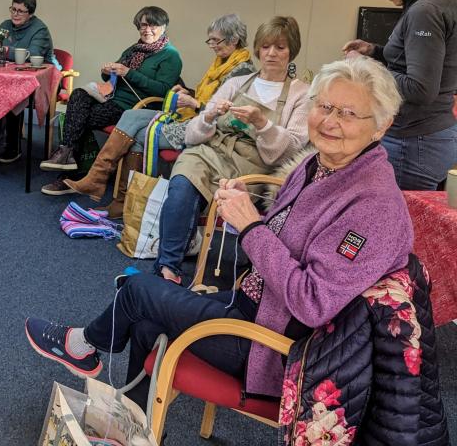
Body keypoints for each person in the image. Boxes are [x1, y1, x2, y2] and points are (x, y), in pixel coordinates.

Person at [26, 56, 411, 407]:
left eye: (347, 113)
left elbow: (312, 303)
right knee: (144, 320)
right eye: (324, 106)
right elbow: (287, 235)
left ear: (381, 126)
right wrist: (252, 209)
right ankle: (131, 425)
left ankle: (84, 345)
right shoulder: (320, 164)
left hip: (279, 351)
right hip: (253, 307)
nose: (329, 121)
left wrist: (251, 226)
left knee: (138, 290)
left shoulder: (372, 206)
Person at [148, 16, 308, 284]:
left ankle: (184, 255)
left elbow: (288, 151)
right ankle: (168, 268)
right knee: (182, 183)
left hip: (254, 164)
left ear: (292, 50)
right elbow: (192, 134)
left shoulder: (302, 94)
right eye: (266, 46)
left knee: (217, 191)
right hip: (210, 150)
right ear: (257, 48)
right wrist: (209, 116)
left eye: (280, 47)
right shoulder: (238, 83)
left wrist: (261, 123)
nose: (271, 53)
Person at [61, 13, 254, 202]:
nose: (212, 46)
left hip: (206, 127)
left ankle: (120, 196)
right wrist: (189, 92)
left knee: (135, 132)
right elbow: (213, 98)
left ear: (234, 39)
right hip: (185, 114)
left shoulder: (241, 72)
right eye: (210, 41)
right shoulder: (221, 63)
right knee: (119, 113)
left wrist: (196, 104)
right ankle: (94, 176)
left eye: (216, 41)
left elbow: (230, 116)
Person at [344, 0, 457, 190]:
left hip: (415, 142)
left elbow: (420, 89)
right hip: (428, 139)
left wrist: (364, 68)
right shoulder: (442, 1)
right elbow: (418, 62)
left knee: (405, 224)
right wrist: (374, 51)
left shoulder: (424, 11)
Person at [40, 6, 181, 194]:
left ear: (164, 27)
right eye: (143, 25)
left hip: (136, 107)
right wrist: (107, 72)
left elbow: (163, 91)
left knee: (79, 119)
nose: (147, 29)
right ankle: (68, 155)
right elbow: (113, 78)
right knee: (79, 95)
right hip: (112, 97)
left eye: (153, 25)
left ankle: (69, 172)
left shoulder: (171, 56)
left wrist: (130, 73)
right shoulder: (134, 49)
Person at [0, 0, 55, 163]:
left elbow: (33, 54)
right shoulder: (5, 25)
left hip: (36, 80)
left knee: (13, 93)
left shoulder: (40, 29)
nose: (15, 14)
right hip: (8, 77)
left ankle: (13, 147)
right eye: (13, 9)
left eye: (20, 11)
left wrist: (5, 51)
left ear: (31, 13)